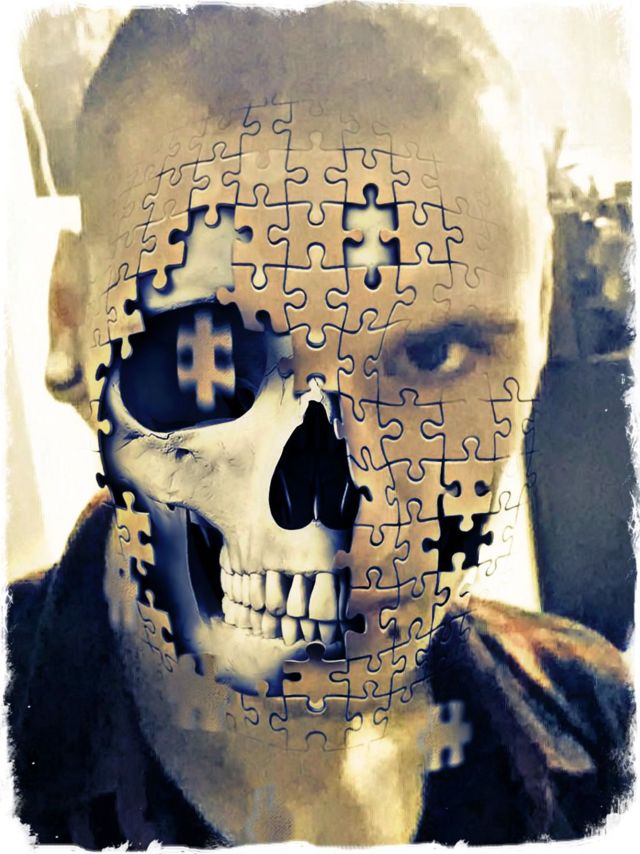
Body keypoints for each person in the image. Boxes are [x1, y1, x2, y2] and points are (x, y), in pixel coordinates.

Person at [7, 4, 633, 848]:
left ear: (543, 315)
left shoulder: (603, 725)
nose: (351, 518)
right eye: (213, 363)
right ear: (71, 326)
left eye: (435, 355)